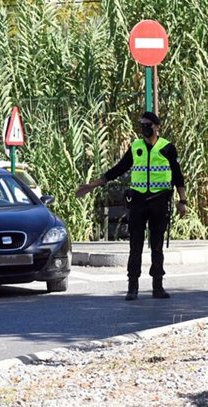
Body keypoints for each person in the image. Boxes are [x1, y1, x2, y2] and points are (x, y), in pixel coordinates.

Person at [76, 111, 187, 300]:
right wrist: (92, 185)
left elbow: (178, 175)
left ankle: (157, 286)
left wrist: (182, 201)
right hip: (138, 202)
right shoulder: (136, 147)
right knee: (135, 245)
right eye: (141, 125)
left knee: (157, 246)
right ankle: (132, 287)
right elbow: (118, 169)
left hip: (159, 201)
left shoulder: (167, 148)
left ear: (157, 127)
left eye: (148, 125)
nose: (144, 128)